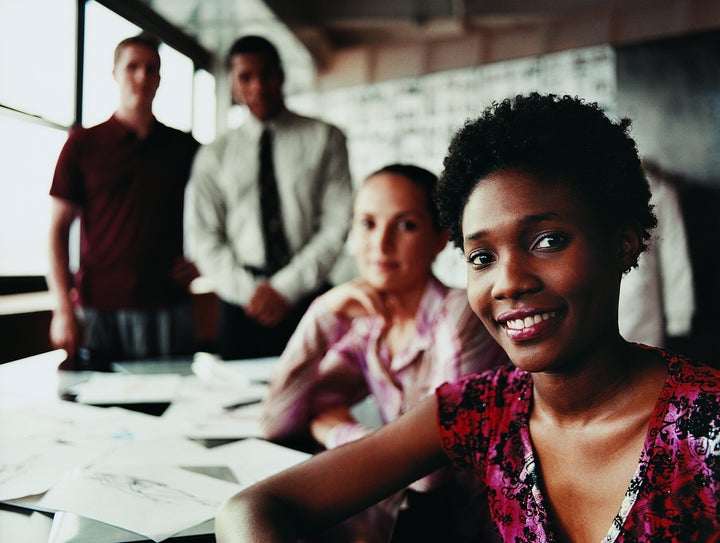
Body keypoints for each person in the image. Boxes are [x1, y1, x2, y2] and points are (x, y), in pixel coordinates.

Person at [214, 94, 720, 543]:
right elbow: (251, 509)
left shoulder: (707, 425)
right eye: (481, 258)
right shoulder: (481, 410)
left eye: (547, 241)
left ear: (622, 241)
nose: (508, 282)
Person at [260, 164, 508, 542]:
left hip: (474, 527)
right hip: (402, 520)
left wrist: (335, 430)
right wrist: (321, 314)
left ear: (440, 236)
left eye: (405, 225)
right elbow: (276, 422)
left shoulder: (461, 315)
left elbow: (429, 473)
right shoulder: (370, 325)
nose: (381, 244)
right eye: (367, 224)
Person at [185, 35, 352, 360]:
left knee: (317, 399)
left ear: (281, 75)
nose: (258, 86)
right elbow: (204, 235)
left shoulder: (325, 138)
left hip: (308, 294)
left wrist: (285, 289)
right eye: (245, 77)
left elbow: (337, 222)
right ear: (233, 84)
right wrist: (251, 292)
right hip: (240, 303)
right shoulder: (214, 155)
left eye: (266, 74)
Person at [47, 33, 200, 369]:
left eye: (151, 69)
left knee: (172, 410)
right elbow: (57, 232)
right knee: (97, 415)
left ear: (160, 79)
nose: (142, 77)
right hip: (99, 309)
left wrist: (202, 260)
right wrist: (62, 308)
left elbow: (220, 212)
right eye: (132, 67)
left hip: (167, 305)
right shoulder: (82, 145)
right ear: (115, 73)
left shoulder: (185, 148)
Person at [618, 159, 695, 347]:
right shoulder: (582, 186)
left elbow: (674, 254)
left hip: (640, 297)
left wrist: (679, 316)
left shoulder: (659, 190)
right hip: (605, 291)